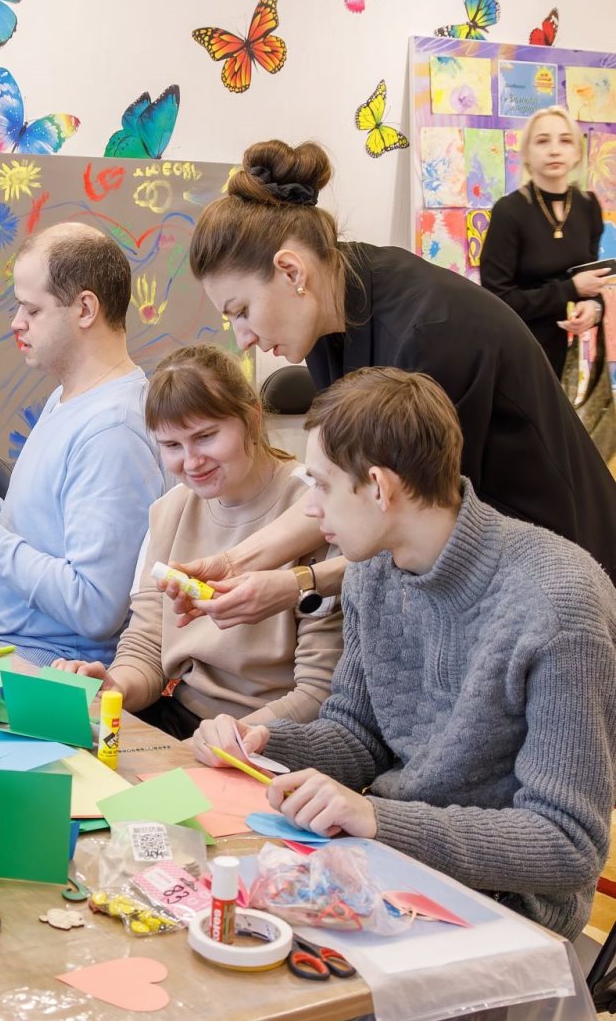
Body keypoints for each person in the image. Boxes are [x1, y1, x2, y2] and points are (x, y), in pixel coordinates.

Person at [194, 367, 616, 941]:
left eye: (321, 485)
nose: (311, 509)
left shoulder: (558, 604)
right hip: (390, 862)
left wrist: (376, 819)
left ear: (379, 486)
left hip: (506, 911)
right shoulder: (373, 570)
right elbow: (359, 735)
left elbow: (567, 845)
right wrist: (262, 743)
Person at [159, 136, 616, 630]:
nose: (243, 338)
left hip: (552, 566)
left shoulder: (427, 335)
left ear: (291, 271)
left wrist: (298, 583)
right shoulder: (327, 311)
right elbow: (346, 485)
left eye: (242, 311)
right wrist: (237, 561)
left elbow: (411, 520)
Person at [53, 344, 342, 738]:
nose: (190, 463)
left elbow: (318, 693)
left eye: (205, 436)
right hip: (182, 721)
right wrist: (114, 689)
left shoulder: (320, 508)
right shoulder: (169, 511)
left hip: (272, 735)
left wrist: (222, 738)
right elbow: (146, 646)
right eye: (171, 446)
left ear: (252, 419)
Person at [0, 223, 164, 666]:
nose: (16, 323)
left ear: (85, 309)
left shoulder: (113, 432)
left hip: (42, 655)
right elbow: (47, 537)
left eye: (32, 309)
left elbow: (93, 607)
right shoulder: (69, 397)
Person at [480, 106, 608, 379]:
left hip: (562, 352)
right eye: (542, 141)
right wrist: (570, 289)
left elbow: (590, 283)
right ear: (526, 154)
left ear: (577, 152)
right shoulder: (510, 211)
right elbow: (497, 300)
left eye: (565, 140)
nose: (554, 150)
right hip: (514, 349)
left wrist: (593, 308)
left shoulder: (588, 206)